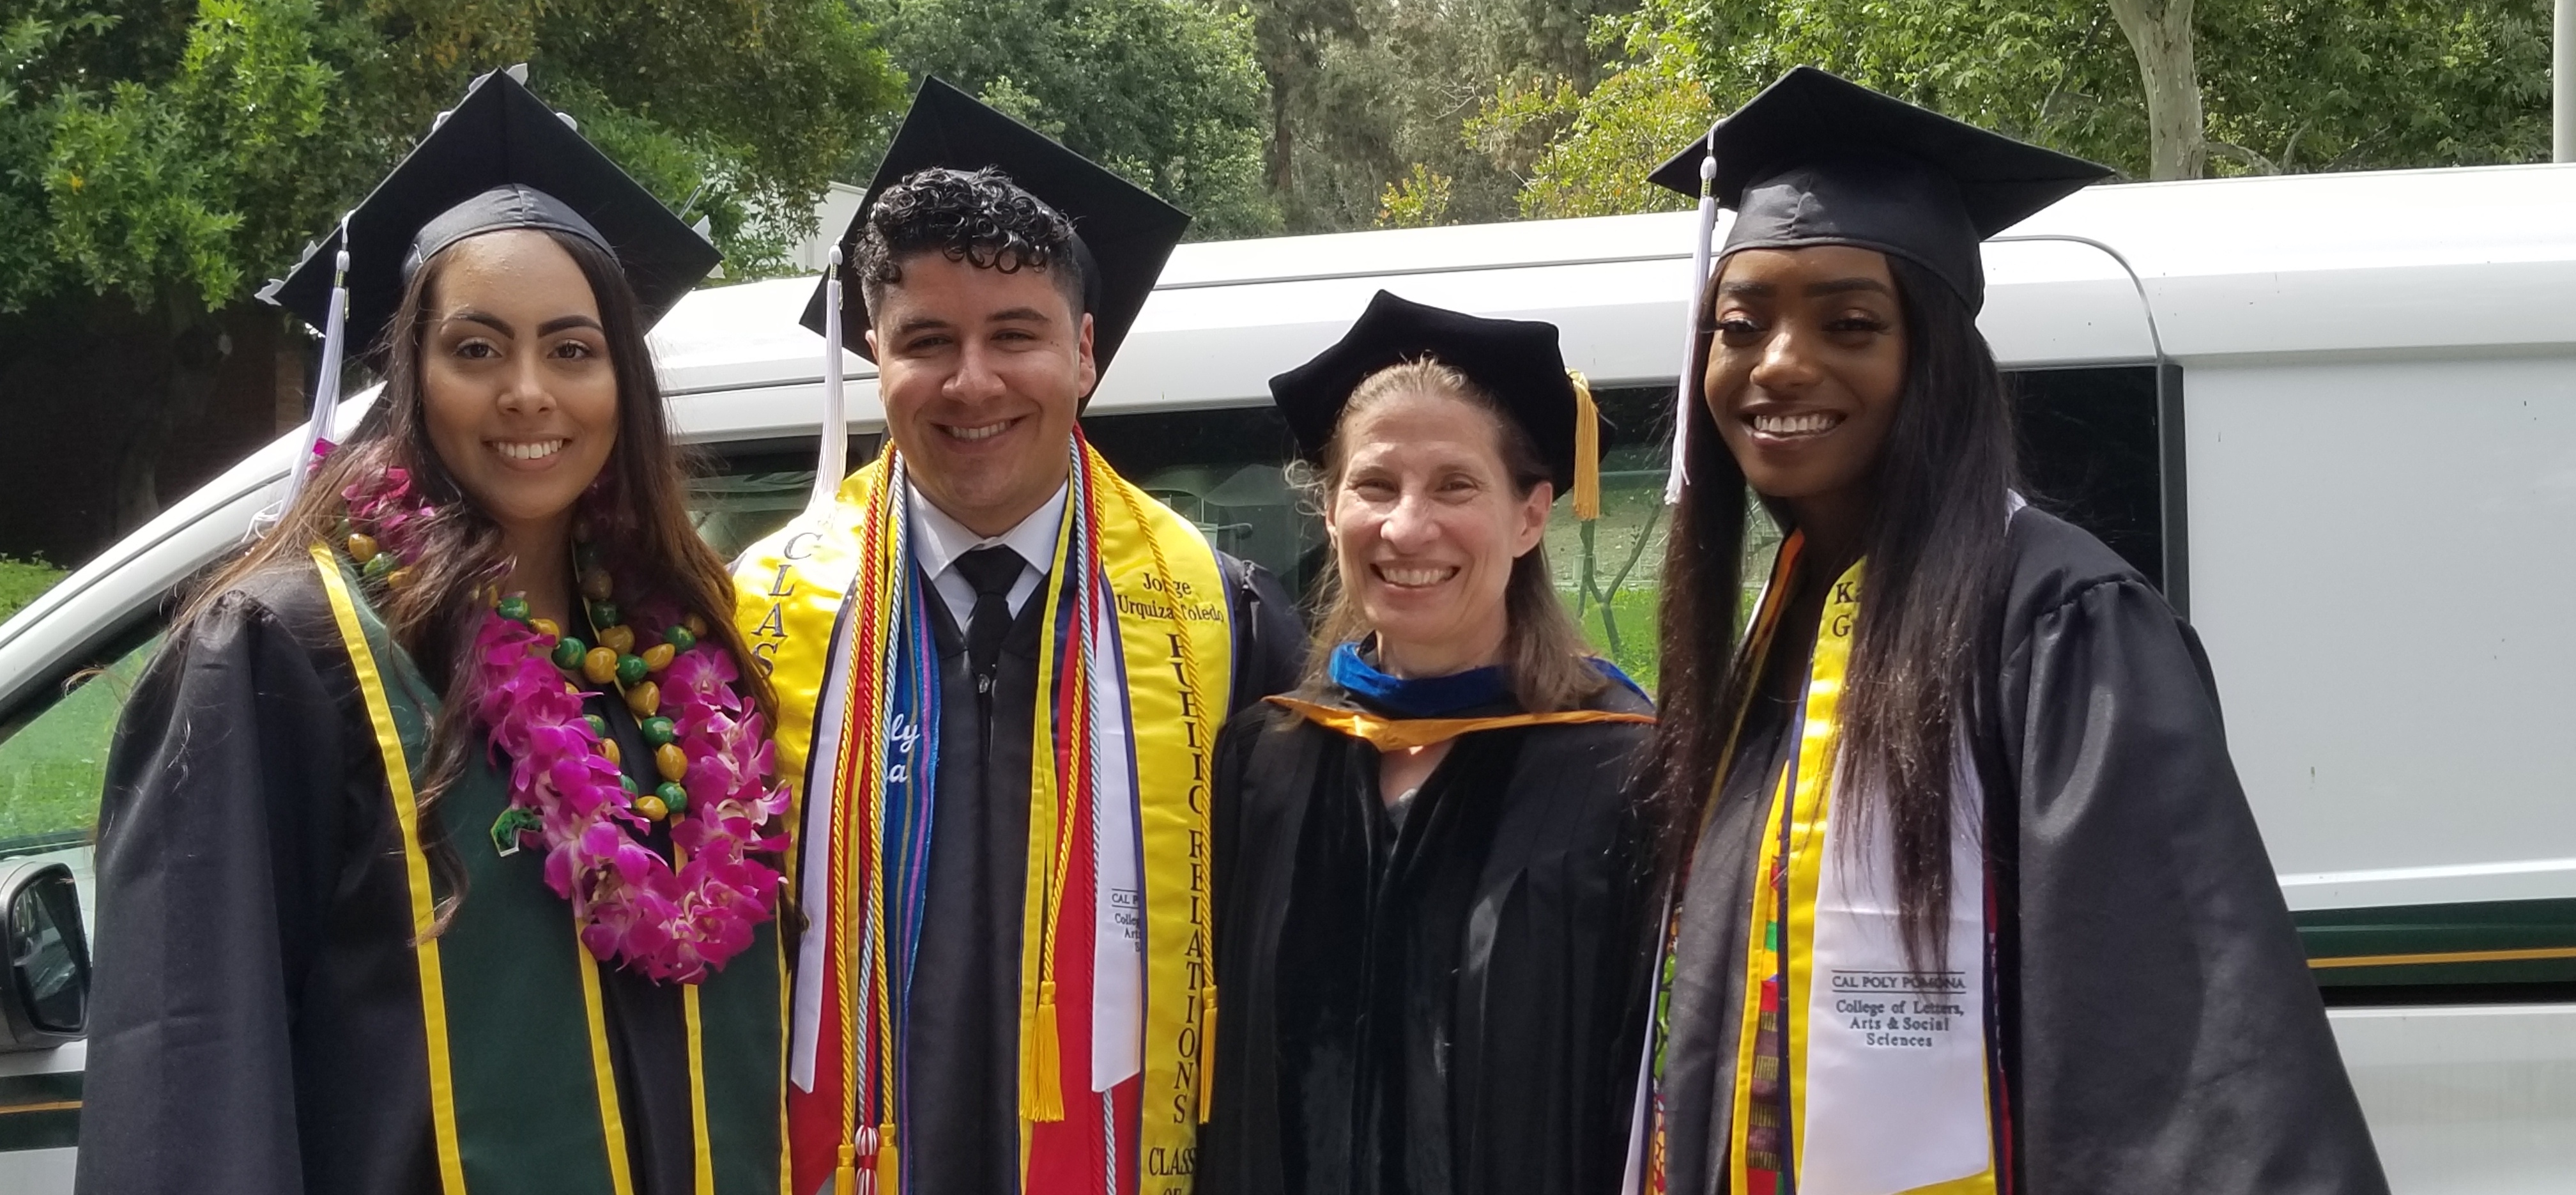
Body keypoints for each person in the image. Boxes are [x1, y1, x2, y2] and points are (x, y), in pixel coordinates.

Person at [1632, 68, 2388, 1195]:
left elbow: (2176, 1066)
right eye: (1741, 326)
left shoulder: (2063, 623)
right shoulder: (1779, 622)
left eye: (1849, 322)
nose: (1779, 363)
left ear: (1932, 360)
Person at [75, 69, 793, 1195]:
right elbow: (190, 1061)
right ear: (408, 370)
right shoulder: (286, 653)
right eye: (475, 349)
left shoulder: (683, 661)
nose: (526, 392)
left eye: (571, 348)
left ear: (623, 381)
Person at [733, 79, 1304, 1195]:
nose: (973, 381)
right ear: (874, 352)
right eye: (928, 340)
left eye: (1017, 336)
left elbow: (1284, 971)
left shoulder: (1227, 618)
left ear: (1085, 352)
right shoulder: (761, 616)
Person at [1197, 291, 1660, 1195]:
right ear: (1329, 509)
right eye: (1374, 485)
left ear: (1530, 516)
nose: (1408, 527)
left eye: (1456, 484)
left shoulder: (1624, 767)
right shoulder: (1263, 761)